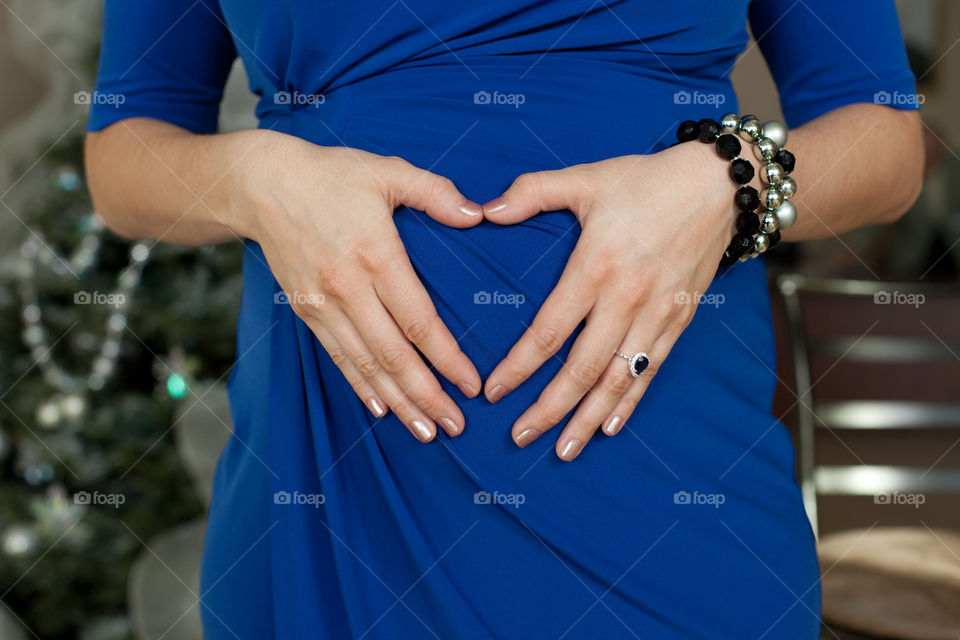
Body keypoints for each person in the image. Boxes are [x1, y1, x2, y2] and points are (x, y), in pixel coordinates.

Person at [85, 1, 923, 637]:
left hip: (660, 470)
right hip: (331, 466)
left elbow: (884, 142)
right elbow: (123, 153)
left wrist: (725, 181)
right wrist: (253, 178)